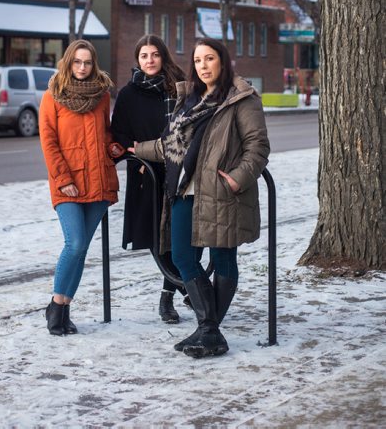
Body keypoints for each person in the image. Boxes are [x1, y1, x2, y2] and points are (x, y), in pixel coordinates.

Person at [132, 38, 270, 358]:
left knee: (222, 260)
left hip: (221, 193)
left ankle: (208, 330)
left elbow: (257, 147)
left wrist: (238, 179)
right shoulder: (190, 99)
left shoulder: (241, 98)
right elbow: (171, 144)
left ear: (223, 61)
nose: (203, 66)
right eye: (197, 60)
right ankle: (210, 330)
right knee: (183, 257)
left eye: (209, 59)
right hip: (184, 191)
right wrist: (137, 150)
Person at [39, 39, 123, 336]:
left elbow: (106, 131)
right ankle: (55, 305)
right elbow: (49, 142)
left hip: (98, 180)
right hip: (69, 183)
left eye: (87, 62)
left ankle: (63, 310)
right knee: (73, 244)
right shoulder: (53, 95)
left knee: (82, 249)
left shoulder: (101, 95)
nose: (83, 68)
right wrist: (63, 179)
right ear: (68, 62)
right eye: (77, 62)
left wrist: (114, 147)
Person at [111, 34, 188, 324]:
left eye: (155, 54)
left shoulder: (180, 85)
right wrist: (134, 151)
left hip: (181, 169)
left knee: (185, 234)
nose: (150, 60)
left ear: (163, 55)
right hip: (147, 173)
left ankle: (180, 289)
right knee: (158, 237)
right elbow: (119, 133)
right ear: (137, 60)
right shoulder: (129, 93)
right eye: (144, 56)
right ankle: (180, 292)